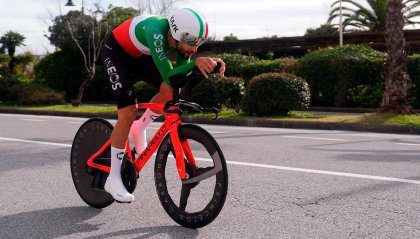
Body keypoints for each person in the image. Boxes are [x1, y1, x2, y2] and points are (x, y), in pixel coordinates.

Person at [100, 8, 226, 202]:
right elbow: (169, 74)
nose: (194, 49)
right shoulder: (155, 31)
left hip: (140, 56)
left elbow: (178, 77)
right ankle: (113, 178)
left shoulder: (180, 42)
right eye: (191, 42)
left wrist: (207, 66)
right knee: (127, 112)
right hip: (116, 53)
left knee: (170, 89)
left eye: (199, 43)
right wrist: (196, 63)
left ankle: (139, 127)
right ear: (176, 34)